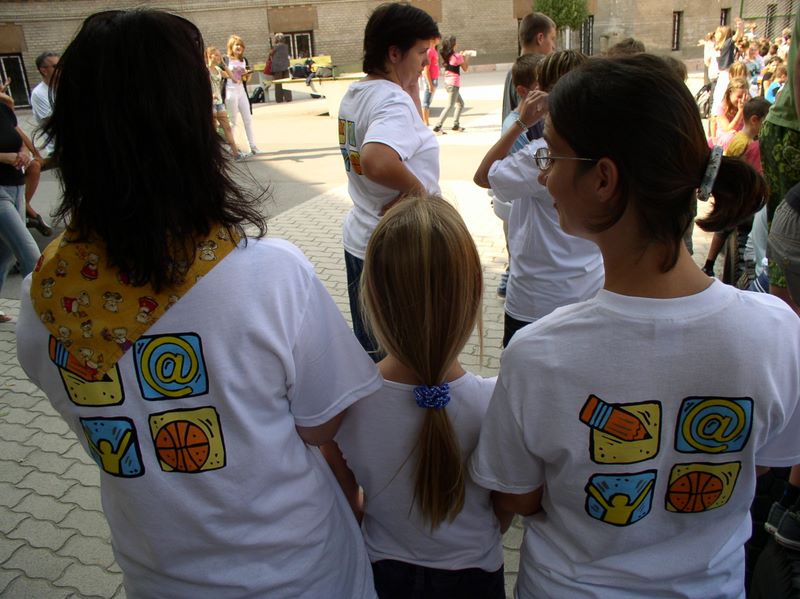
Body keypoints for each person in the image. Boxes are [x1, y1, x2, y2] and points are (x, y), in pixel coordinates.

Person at [15, 10, 382, 597]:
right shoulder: (269, 275)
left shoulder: (42, 297)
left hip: (158, 576)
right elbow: (324, 423)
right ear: (190, 128)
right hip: (298, 571)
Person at [469, 54, 800, 599]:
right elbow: (760, 464)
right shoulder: (776, 333)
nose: (544, 174)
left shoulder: (539, 353)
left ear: (603, 178)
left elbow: (517, 497)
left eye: (552, 154)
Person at [322, 195, 507, 599]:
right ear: (473, 294)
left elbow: (348, 501)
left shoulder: (342, 405)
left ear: (371, 296)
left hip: (382, 572)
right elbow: (505, 508)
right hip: (476, 576)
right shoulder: (497, 403)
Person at [474, 50, 603, 347]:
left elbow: (483, 176)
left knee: (521, 373)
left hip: (537, 298)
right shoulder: (603, 144)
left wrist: (521, 122)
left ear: (544, 96)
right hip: (590, 288)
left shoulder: (542, 154)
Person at [337, 2, 440, 360]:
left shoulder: (359, 93)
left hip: (362, 237)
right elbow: (376, 160)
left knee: (373, 355)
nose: (426, 61)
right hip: (397, 249)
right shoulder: (391, 101)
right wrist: (419, 192)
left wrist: (409, 89)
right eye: (421, 52)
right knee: (401, 359)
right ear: (394, 53)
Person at [702, 96, 771, 278]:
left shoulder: (743, 140)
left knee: (724, 229)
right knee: (726, 228)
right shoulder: (746, 144)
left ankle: (709, 263)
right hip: (740, 196)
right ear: (755, 120)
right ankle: (709, 264)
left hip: (738, 194)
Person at [0, 91, 40, 322]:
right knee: (30, 253)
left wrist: (24, 154)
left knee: (5, 253)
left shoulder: (4, 110)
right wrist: (3, 157)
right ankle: (37, 317)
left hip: (16, 187)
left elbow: (21, 142)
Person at [501, 12, 556, 124]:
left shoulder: (514, 72)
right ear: (540, 38)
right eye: (552, 38)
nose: (554, 46)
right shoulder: (530, 74)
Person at [205, 47, 244, 160]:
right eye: (216, 55)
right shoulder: (205, 69)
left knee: (227, 128)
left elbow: (233, 78)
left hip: (219, 104)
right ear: (210, 56)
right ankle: (214, 155)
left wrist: (223, 64)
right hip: (210, 104)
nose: (219, 57)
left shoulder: (218, 69)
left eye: (220, 55)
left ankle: (236, 154)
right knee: (214, 130)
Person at [224, 34, 259, 155]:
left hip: (241, 91)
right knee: (232, 121)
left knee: (248, 119)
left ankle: (252, 146)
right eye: (236, 45)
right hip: (230, 91)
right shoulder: (226, 60)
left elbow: (245, 80)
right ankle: (230, 147)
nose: (239, 47)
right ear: (231, 47)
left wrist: (247, 75)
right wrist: (233, 73)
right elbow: (220, 75)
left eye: (241, 45)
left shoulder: (244, 60)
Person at [433, 36, 470, 133]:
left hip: (447, 83)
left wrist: (461, 56)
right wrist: (466, 57)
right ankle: (438, 126)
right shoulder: (457, 56)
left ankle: (456, 125)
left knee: (460, 104)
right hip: (454, 84)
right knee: (450, 106)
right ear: (453, 44)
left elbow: (455, 61)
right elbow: (465, 68)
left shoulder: (448, 56)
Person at [711, 76, 750, 150]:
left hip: (741, 138)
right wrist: (740, 111)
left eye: (745, 96)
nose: (742, 100)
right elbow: (728, 129)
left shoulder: (747, 106)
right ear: (729, 94)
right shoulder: (721, 108)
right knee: (731, 136)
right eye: (739, 96)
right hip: (725, 139)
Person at [421, 37, 441, 126]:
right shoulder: (429, 51)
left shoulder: (434, 51)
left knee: (429, 101)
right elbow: (426, 69)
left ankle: (426, 121)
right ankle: (425, 122)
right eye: (438, 38)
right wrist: (430, 84)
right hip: (430, 79)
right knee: (426, 101)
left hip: (434, 79)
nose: (439, 39)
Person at [270, 33, 292, 103]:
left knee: (278, 83)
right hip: (285, 66)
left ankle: (279, 99)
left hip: (277, 67)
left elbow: (270, 54)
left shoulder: (275, 47)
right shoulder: (286, 46)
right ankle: (288, 98)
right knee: (286, 82)